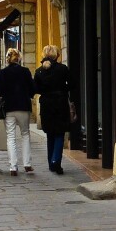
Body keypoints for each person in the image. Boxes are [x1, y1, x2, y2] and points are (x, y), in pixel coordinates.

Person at [0, 48, 36, 176]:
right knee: (25, 134)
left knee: (11, 136)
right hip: (23, 106)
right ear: (19, 58)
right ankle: (27, 164)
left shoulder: (3, 73)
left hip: (9, 108)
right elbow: (32, 89)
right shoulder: (25, 71)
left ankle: (13, 166)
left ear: (8, 59)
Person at [34, 45, 74, 174]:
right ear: (57, 55)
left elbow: (36, 89)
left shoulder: (39, 71)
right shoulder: (63, 69)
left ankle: (51, 162)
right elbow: (72, 84)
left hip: (46, 104)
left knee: (50, 134)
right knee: (59, 133)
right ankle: (56, 160)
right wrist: (64, 89)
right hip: (60, 103)